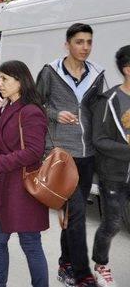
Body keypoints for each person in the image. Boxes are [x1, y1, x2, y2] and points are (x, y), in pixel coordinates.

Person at [36, 23, 105, 287]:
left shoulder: (97, 74)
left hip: (87, 154)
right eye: (79, 42)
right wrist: (54, 114)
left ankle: (65, 263)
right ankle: (82, 274)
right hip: (60, 154)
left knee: (73, 215)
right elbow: (34, 104)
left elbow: (101, 110)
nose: (85, 47)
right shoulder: (50, 72)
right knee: (76, 212)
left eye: (88, 42)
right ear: (67, 44)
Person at [0, 60, 49, 287]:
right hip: (4, 187)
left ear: (20, 82)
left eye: (4, 79)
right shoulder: (9, 106)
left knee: (30, 242)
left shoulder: (31, 111)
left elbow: (34, 152)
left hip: (22, 188)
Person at [90, 45, 130, 287]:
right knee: (112, 223)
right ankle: (100, 264)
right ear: (127, 69)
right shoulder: (110, 101)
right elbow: (99, 141)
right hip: (114, 174)